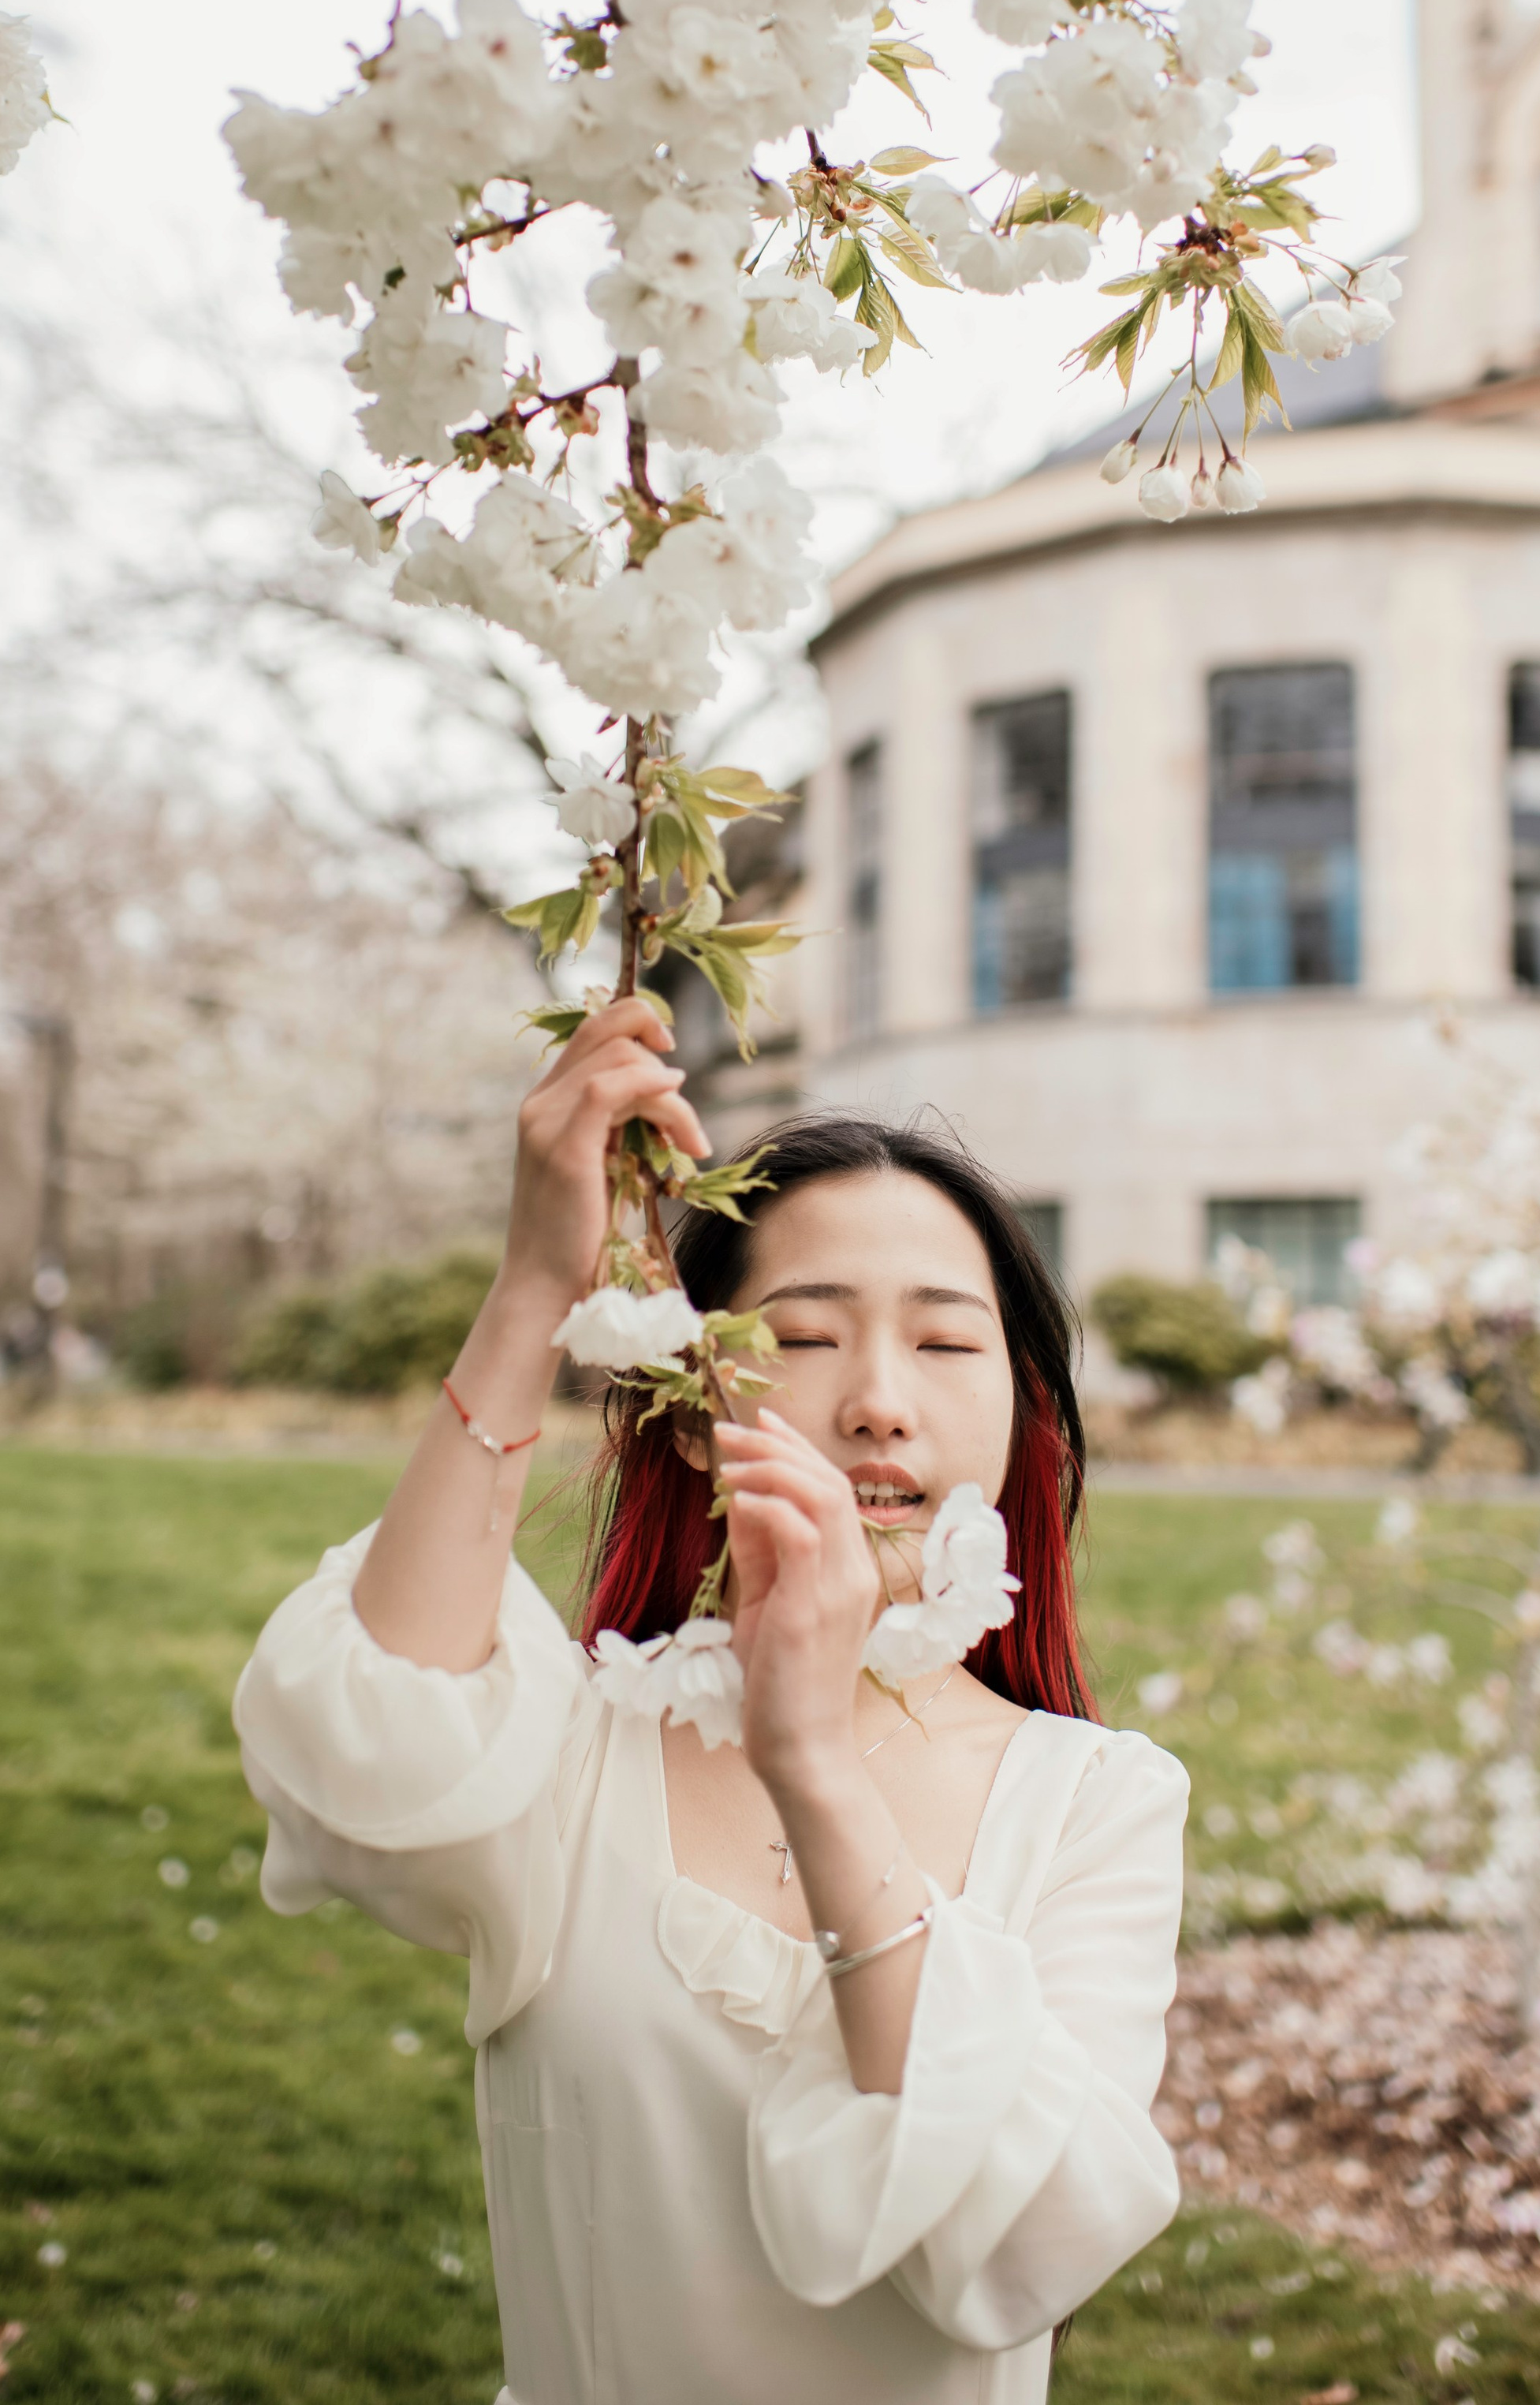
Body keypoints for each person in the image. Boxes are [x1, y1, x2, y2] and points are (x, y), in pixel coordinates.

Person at [233, 998, 1188, 2404]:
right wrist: (535, 1288)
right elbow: (360, 1740)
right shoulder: (569, 1754)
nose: (879, 1403)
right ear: (692, 1414)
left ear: (1020, 1413)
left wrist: (813, 1762)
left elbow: (1021, 2239)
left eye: (946, 1344)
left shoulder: (1099, 1807)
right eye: (802, 1337)